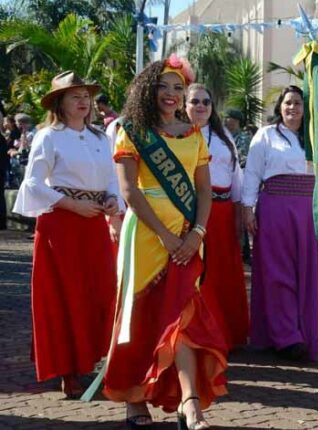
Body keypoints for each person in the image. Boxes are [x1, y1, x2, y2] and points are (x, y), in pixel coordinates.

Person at [104, 55, 227, 430]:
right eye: (164, 87)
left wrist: (196, 233)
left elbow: (203, 189)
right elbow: (129, 191)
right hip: (147, 236)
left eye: (178, 88)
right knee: (140, 317)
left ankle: (190, 402)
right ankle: (132, 398)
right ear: (149, 90)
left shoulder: (193, 134)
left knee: (184, 316)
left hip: (190, 237)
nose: (172, 94)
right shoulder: (132, 131)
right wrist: (166, 235)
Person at [12, 71, 119, 397]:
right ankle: (68, 371)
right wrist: (72, 205)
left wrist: (113, 198)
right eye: (76, 96)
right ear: (60, 103)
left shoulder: (101, 137)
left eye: (86, 95)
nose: (83, 101)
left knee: (99, 292)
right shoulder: (48, 136)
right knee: (65, 296)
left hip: (93, 224)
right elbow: (33, 184)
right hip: (61, 225)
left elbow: (112, 176)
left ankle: (95, 362)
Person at [241, 85, 318, 362]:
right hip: (276, 206)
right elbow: (252, 173)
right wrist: (248, 208)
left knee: (310, 271)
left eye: (299, 103)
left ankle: (309, 332)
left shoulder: (316, 136)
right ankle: (286, 336)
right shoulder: (266, 135)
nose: (293, 108)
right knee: (279, 272)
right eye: (288, 103)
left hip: (310, 209)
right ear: (280, 106)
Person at [186, 83, 248, 351]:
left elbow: (236, 178)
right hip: (193, 212)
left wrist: (240, 215)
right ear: (184, 105)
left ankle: (226, 333)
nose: (201, 106)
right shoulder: (178, 136)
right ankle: (201, 335)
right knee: (200, 275)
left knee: (223, 272)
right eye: (195, 102)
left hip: (223, 213)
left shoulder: (224, 137)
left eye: (206, 102)